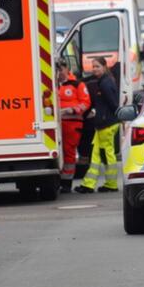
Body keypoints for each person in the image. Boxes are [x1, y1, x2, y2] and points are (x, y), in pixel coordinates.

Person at [75, 57, 120, 194]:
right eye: (93, 66)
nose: (94, 69)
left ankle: (111, 184)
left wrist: (116, 116)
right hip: (103, 124)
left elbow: (113, 104)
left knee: (107, 155)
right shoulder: (104, 81)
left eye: (97, 66)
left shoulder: (105, 83)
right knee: (95, 155)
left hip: (106, 124)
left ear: (104, 67)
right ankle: (89, 184)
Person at [56, 59, 91, 193]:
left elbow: (85, 102)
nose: (59, 72)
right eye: (57, 70)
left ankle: (66, 183)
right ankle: (59, 180)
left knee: (69, 153)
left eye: (61, 69)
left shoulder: (77, 85)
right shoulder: (52, 84)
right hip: (57, 124)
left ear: (66, 69)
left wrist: (74, 109)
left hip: (72, 124)